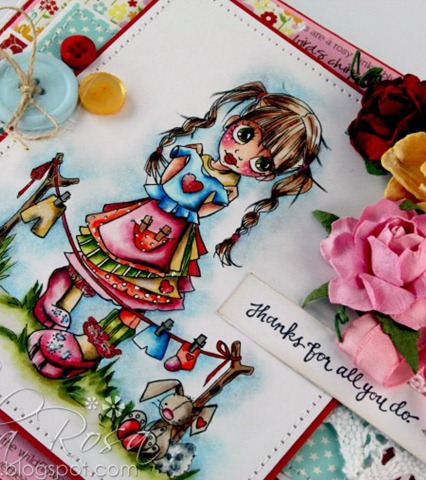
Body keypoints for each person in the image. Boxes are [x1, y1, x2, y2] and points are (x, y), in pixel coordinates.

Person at [27, 81, 324, 379]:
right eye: (245, 136)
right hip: (147, 214)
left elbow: (207, 208)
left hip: (173, 236)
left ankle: (88, 347)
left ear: (266, 176)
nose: (241, 155)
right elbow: (172, 177)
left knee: (141, 291)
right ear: (233, 122)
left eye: (260, 163)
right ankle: (58, 303)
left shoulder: (228, 189)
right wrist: (167, 194)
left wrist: (187, 210)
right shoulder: (192, 154)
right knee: (99, 260)